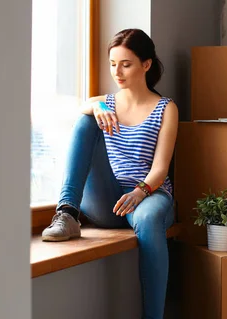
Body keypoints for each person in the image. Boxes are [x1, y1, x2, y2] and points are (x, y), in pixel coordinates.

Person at [42, 28, 179, 319]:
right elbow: (85, 104)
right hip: (108, 200)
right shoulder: (107, 104)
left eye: (126, 64)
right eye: (113, 64)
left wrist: (139, 192)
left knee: (149, 217)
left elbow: (160, 169)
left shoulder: (166, 108)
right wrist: (98, 105)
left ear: (146, 64)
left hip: (147, 194)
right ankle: (67, 213)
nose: (117, 72)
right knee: (85, 121)